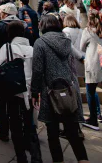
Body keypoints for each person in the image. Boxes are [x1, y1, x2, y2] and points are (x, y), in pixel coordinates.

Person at [31, 15, 88, 163]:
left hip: (51, 90)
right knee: (72, 132)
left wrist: (34, 91)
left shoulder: (40, 43)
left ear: (43, 26)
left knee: (53, 132)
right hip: (69, 89)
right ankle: (83, 159)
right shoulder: (66, 41)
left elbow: (37, 70)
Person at [0, 21, 42, 163]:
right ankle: (36, 158)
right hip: (30, 92)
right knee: (30, 125)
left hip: (13, 91)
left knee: (15, 125)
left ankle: (21, 157)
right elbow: (38, 70)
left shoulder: (7, 48)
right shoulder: (32, 49)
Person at [0, 3, 27, 137]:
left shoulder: (0, 26)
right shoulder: (22, 25)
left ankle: (4, 129)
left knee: (3, 102)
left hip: (4, 68)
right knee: (23, 104)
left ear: (5, 14)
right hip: (24, 69)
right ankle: (26, 130)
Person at [63, 15, 102, 123]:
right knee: (92, 90)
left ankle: (83, 114)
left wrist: (80, 56)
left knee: (85, 89)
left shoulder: (68, 31)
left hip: (78, 60)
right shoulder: (82, 30)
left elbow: (78, 47)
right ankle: (98, 112)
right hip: (89, 60)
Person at [80, 10, 102, 130]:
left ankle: (93, 118)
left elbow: (81, 47)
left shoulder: (87, 31)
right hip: (101, 62)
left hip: (93, 62)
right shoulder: (100, 30)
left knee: (90, 91)